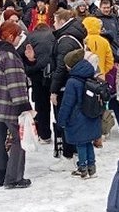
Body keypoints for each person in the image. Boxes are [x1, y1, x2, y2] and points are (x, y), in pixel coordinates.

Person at [0, 21, 33, 189]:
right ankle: (14, 178)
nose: (20, 39)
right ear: (10, 37)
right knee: (19, 139)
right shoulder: (10, 56)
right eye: (18, 36)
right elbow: (15, 84)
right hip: (8, 104)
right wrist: (25, 108)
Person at [49, 9, 88, 172]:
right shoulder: (75, 35)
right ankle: (74, 152)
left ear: (62, 21)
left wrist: (53, 90)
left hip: (65, 86)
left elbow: (60, 68)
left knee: (64, 119)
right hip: (75, 83)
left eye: (55, 21)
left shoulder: (65, 40)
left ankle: (68, 155)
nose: (53, 24)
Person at [58, 49, 103, 179]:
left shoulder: (72, 81)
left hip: (77, 118)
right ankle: (92, 167)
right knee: (88, 142)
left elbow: (67, 104)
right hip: (91, 115)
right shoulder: (90, 76)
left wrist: (62, 120)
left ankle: (82, 168)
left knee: (81, 143)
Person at [24, 23, 56, 143]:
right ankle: (61, 135)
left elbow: (27, 55)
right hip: (53, 74)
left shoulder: (31, 36)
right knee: (57, 104)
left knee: (41, 106)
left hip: (37, 74)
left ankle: (44, 135)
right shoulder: (53, 35)